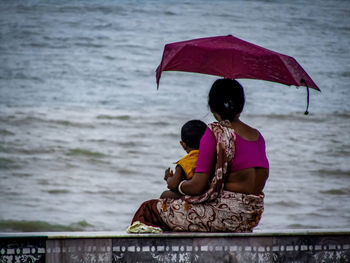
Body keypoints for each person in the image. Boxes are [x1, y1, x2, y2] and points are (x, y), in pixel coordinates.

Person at [128, 78, 269, 233]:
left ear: (212, 107)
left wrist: (178, 185)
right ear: (241, 107)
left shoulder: (215, 132)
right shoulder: (257, 136)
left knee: (149, 209)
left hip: (225, 215)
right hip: (251, 217)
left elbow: (197, 186)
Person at [160, 120, 207, 199]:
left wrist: (169, 178)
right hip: (207, 193)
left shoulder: (184, 163)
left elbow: (173, 185)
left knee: (165, 194)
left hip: (193, 196)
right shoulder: (210, 157)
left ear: (183, 144)